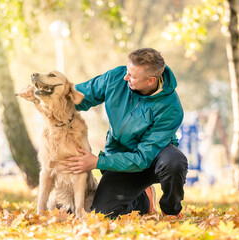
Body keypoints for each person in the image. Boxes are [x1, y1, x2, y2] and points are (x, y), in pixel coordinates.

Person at [64, 48, 188, 219]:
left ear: (151, 80)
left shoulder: (171, 108)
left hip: (153, 159)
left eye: (132, 76)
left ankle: (170, 210)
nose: (126, 77)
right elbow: (80, 95)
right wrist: (44, 93)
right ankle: (143, 200)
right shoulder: (117, 78)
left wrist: (98, 162)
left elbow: (143, 158)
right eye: (127, 71)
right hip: (120, 157)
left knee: (175, 162)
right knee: (103, 214)